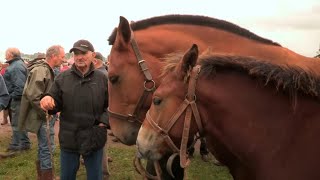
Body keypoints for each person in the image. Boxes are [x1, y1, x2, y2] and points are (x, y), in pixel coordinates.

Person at [40, 39, 108, 180]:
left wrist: (103, 123)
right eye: (76, 53)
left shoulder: (103, 78)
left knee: (95, 177)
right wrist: (47, 99)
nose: (79, 57)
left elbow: (111, 106)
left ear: (93, 55)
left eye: (83, 53)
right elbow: (54, 99)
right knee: (67, 177)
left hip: (93, 137)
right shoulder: (62, 78)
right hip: (69, 137)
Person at [18, 46, 65, 179]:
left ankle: (43, 176)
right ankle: (47, 177)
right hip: (43, 116)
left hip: (43, 116)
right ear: (54, 56)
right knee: (47, 148)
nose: (63, 60)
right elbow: (33, 95)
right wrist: (46, 113)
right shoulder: (41, 70)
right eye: (62, 57)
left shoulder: (45, 69)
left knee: (44, 147)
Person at [3, 47, 30, 151]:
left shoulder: (15, 67)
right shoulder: (19, 64)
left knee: (17, 122)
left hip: (17, 99)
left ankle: (18, 144)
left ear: (11, 54)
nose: (5, 55)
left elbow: (20, 87)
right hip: (19, 99)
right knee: (19, 121)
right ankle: (22, 143)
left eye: (6, 53)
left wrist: (10, 97)